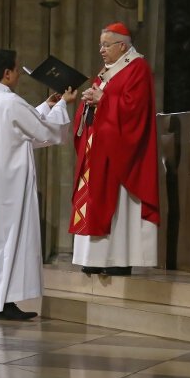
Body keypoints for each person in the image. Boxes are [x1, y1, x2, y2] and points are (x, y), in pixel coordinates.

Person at [0, 48, 73, 320]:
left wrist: (49, 105)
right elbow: (44, 130)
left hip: (0, 183)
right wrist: (64, 103)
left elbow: (26, 123)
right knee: (11, 240)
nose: (19, 74)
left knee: (1, 241)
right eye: (17, 70)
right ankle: (2, 303)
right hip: (12, 182)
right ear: (7, 74)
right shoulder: (9, 102)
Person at [72, 22, 159, 276]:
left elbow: (137, 109)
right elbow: (101, 103)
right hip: (99, 148)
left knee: (119, 207)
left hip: (122, 154)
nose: (101, 49)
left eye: (106, 45)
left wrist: (104, 100)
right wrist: (89, 102)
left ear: (122, 45)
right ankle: (95, 258)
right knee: (94, 199)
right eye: (100, 44)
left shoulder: (137, 68)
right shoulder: (105, 72)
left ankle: (120, 259)